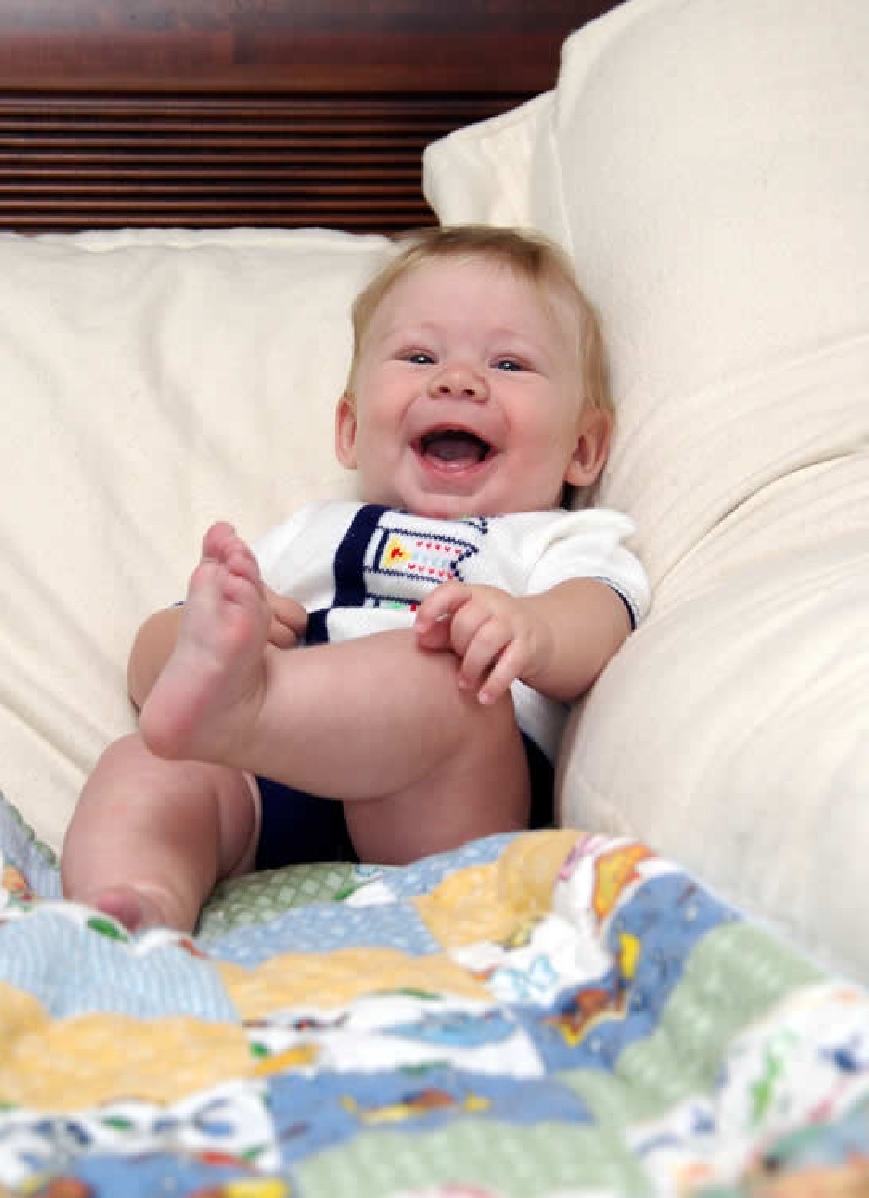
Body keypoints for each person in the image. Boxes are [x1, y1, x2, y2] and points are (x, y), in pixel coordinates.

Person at [61, 224, 649, 934]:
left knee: (440, 679)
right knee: (150, 764)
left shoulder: (555, 538)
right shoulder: (311, 531)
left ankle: (249, 711)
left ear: (583, 447)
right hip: (273, 780)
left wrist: (533, 628)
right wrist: (200, 637)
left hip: (440, 806)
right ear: (350, 429)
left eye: (510, 364)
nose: (458, 380)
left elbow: (599, 619)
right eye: (420, 356)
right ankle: (131, 906)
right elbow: (153, 667)